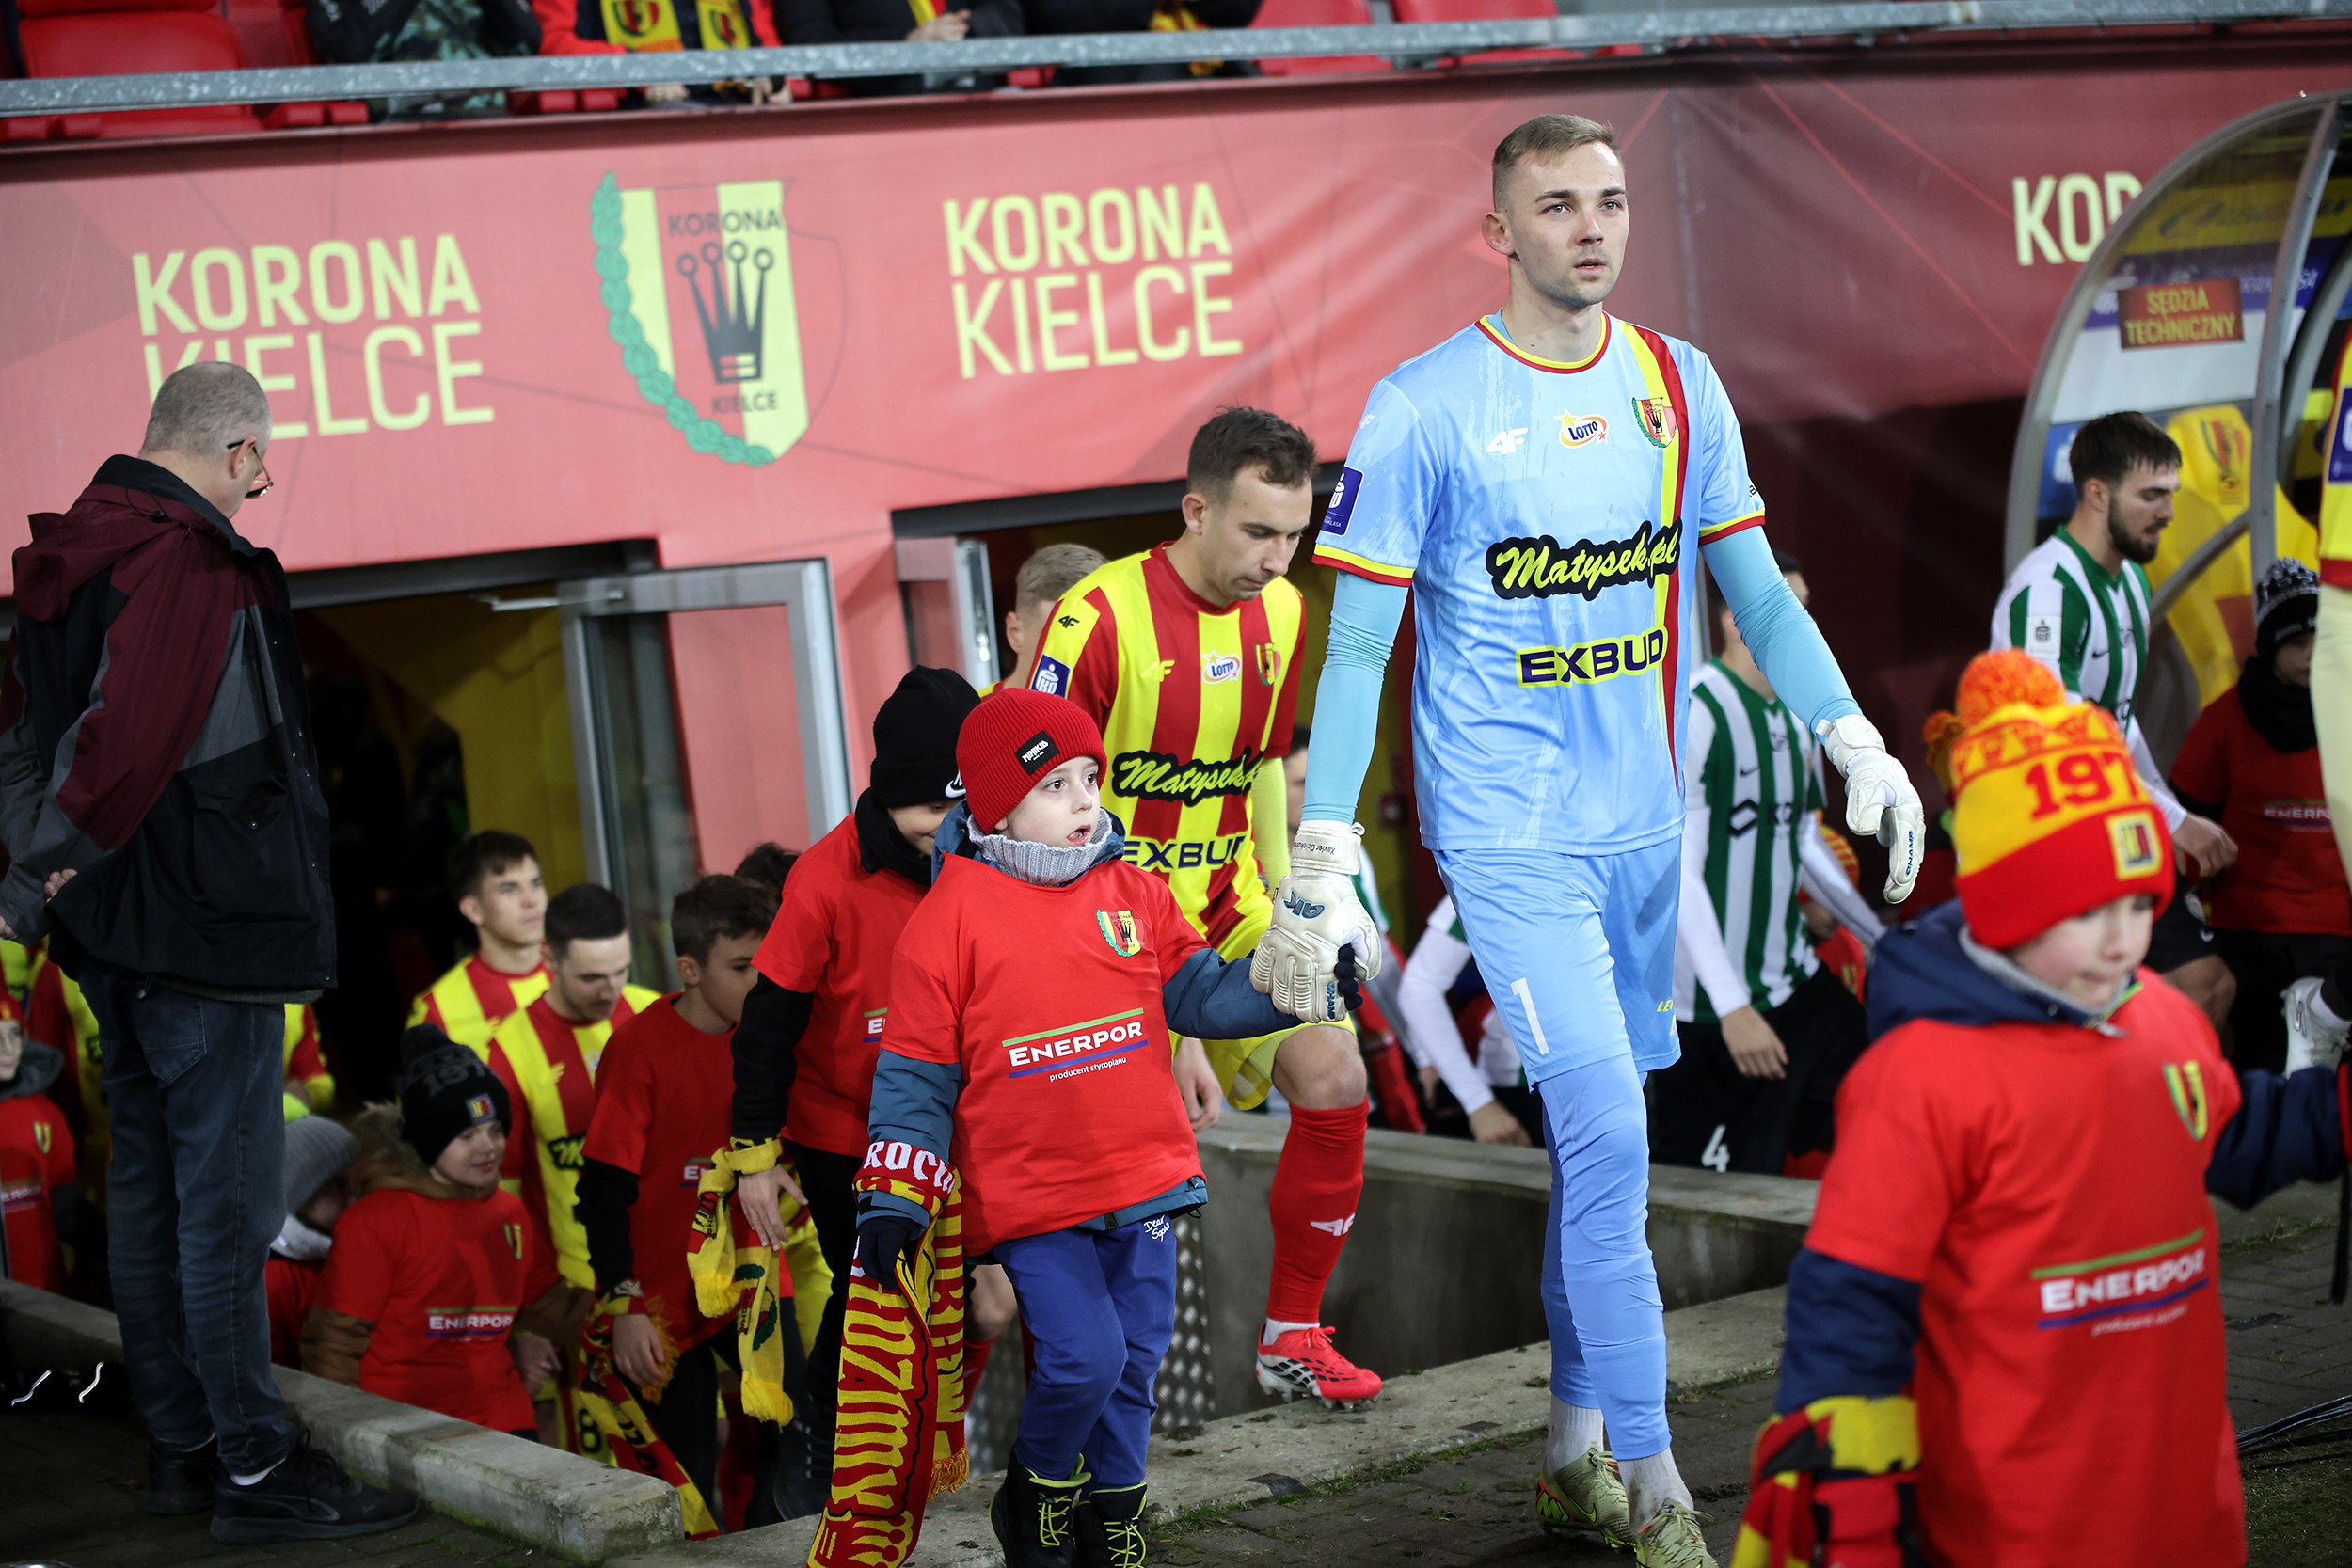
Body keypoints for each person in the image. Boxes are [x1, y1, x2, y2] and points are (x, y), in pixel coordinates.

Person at [1283, 116, 1926, 1567]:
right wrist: (1323, 847)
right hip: (1506, 836)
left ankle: (1571, 1452)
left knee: (1596, 1158)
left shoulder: (1679, 384)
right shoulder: (1421, 405)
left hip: (1644, 829)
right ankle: (1657, 1489)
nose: (1593, 227)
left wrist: (1853, 739)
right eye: (1559, 204)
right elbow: (1358, 644)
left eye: (1613, 200)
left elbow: (1759, 597)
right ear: (1498, 232)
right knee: (1617, 1137)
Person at [1731, 650, 2351, 1568]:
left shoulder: (2163, 1022)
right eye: (2084, 911)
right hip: (2008, 1524)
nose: (2120, 941)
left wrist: (2336, 1109)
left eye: (2137, 904)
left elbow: (2241, 1135)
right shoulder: (1920, 1077)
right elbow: (1853, 1292)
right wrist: (1849, 1475)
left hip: (2184, 1509)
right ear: (2003, 907)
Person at [0, 361, 413, 1541]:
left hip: (117, 941)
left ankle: (183, 1449)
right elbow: (125, 743)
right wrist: (42, 869)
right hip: (208, 937)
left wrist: (42, 868)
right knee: (224, 1213)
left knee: (148, 1198)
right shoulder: (186, 560)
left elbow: (18, 736)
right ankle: (254, 1462)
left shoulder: (72, 550)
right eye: (261, 463)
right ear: (236, 452)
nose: (261, 484)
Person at [855, 688, 1339, 1568]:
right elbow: (915, 1077)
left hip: (1143, 1179)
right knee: (1083, 1356)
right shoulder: (944, 923)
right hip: (1034, 1198)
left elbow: (1202, 993)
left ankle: (1116, 1515)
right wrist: (894, 1197)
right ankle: (1036, 1493)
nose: (1086, 800)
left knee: (1137, 1357)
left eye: (1091, 777)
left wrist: (1296, 983)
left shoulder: (1136, 889)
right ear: (995, 807)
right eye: (1056, 785)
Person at [1032, 408, 1385, 1408]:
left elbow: (1263, 764)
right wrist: (1175, 1022)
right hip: (1108, 929)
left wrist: (1295, 900)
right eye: (1257, 531)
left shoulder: (1286, 611)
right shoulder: (1095, 619)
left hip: (1229, 907)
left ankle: (1290, 1335)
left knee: (1335, 1074)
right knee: (1126, 1189)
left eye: (1294, 535)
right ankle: (1093, 1414)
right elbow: (1040, 803)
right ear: (1196, 511)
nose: (1277, 559)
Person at [729, 667, 979, 1493]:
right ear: (890, 795)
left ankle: (929, 1449)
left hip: (961, 1119)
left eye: (964, 805)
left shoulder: (991, 851)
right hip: (848, 1132)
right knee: (876, 1295)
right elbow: (766, 1026)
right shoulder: (824, 877)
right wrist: (755, 1154)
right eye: (933, 808)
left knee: (978, 1298)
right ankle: (834, 1449)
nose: (951, 825)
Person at [1991, 411, 2240, 1027]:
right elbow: (2062, 740)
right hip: (2054, 830)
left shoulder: (2128, 578)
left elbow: (2116, 719)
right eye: (2151, 496)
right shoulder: (2048, 593)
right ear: (2097, 493)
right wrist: (2174, 819)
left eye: (2171, 494)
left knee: (2208, 988)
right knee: (2155, 998)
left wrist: (2168, 810)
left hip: (2109, 816)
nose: (2168, 513)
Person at [1654, 552, 1882, 1177]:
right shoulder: (1695, 711)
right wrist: (1732, 1007)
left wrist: (1875, 936)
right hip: (1711, 1010)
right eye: (1787, 607)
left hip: (1794, 982)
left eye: (1805, 610)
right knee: (1712, 1193)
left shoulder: (1797, 718)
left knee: (1888, 1095)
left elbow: (1801, 838)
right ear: (1732, 619)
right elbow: (1679, 871)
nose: (1802, 624)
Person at [579, 874, 797, 1521]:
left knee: (800, 1434)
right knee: (685, 1477)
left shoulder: (772, 1037)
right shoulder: (638, 1049)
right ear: (690, 970)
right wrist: (624, 1303)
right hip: (661, 1303)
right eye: (741, 967)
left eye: (766, 964)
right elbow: (601, 1189)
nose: (760, 982)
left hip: (753, 1276)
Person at [304, 1029, 556, 1438]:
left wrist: (624, 1314)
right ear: (426, 1139)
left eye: (496, 1129)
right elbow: (335, 1343)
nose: (488, 1147)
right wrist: (344, 1440)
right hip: (403, 1430)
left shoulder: (509, 1213)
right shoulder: (376, 1220)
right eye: (466, 1135)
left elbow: (548, 1301)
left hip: (503, 1420)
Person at [2171, 558, 2349, 1071]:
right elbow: (2182, 827)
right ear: (2271, 645)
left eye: (2321, 639)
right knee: (2258, 1062)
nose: (2311, 655)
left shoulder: (2345, 711)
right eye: (2297, 643)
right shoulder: (2224, 721)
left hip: (2336, 928)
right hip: (2247, 927)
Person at [482, 882, 660, 1313]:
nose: (610, 990)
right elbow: (501, 1193)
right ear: (549, 959)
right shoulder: (509, 1051)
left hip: (671, 1266)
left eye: (621, 971)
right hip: (579, 1288)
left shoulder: (655, 1015)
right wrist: (534, 1302)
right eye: (591, 977)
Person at [1391, 897, 1534, 1145]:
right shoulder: (1492, 876)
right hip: (1523, 1084)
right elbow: (1419, 984)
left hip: (1595, 1071)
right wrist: (1477, 1101)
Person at [408, 832, 551, 1052]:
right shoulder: (436, 1013)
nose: (531, 900)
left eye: (536, 884)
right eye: (509, 889)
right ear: (473, 910)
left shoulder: (585, 972)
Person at [0, 990, 77, 1293]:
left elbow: (67, 1209)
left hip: (45, 1295)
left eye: (14, 1034)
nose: (7, 1048)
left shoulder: (45, 1113)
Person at [266, 1116, 358, 1367]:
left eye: (358, 1184)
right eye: (337, 1187)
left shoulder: (350, 1247)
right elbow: (276, 1372)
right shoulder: (273, 1279)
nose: (353, 1199)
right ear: (300, 1196)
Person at [988, 544, 1108, 694]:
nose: (1082, 655)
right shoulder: (971, 708)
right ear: (1015, 633)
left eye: (1099, 639)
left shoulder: (1123, 704)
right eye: (1059, 639)